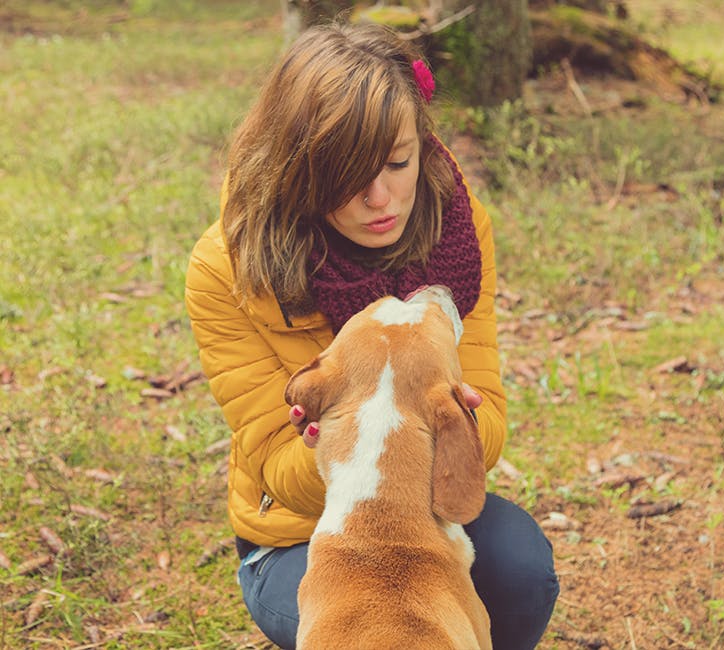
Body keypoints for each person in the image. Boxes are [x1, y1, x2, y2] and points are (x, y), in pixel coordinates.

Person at [185, 22, 559, 650]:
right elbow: (277, 463)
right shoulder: (228, 266)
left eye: (397, 162)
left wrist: (450, 422)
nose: (380, 197)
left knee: (520, 572)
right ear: (297, 164)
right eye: (347, 172)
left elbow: (487, 425)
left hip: (432, 507)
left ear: (422, 144)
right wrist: (367, 433)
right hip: (298, 533)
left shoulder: (458, 236)